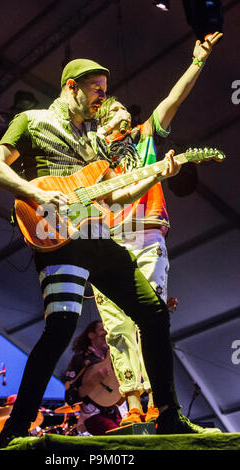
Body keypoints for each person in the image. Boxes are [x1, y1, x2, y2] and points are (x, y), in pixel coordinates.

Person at [0, 58, 218, 449]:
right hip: (54, 232)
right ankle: (16, 428)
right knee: (60, 328)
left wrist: (157, 173)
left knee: (154, 313)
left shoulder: (93, 140)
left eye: (105, 92)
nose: (103, 98)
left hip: (95, 233)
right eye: (97, 90)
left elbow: (116, 194)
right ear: (72, 87)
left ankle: (170, 415)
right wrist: (38, 193)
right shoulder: (32, 121)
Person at [92, 32, 223, 425]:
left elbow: (173, 100)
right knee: (115, 326)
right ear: (101, 120)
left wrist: (197, 61)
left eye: (123, 110)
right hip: (106, 241)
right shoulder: (90, 157)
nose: (123, 114)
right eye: (114, 110)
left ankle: (157, 400)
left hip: (147, 234)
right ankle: (130, 403)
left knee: (150, 318)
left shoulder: (145, 137)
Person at [64, 320, 122, 435]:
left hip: (117, 413)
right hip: (93, 416)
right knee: (121, 439)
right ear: (91, 335)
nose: (107, 331)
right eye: (102, 329)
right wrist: (93, 381)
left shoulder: (113, 359)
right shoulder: (80, 359)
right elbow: (70, 397)